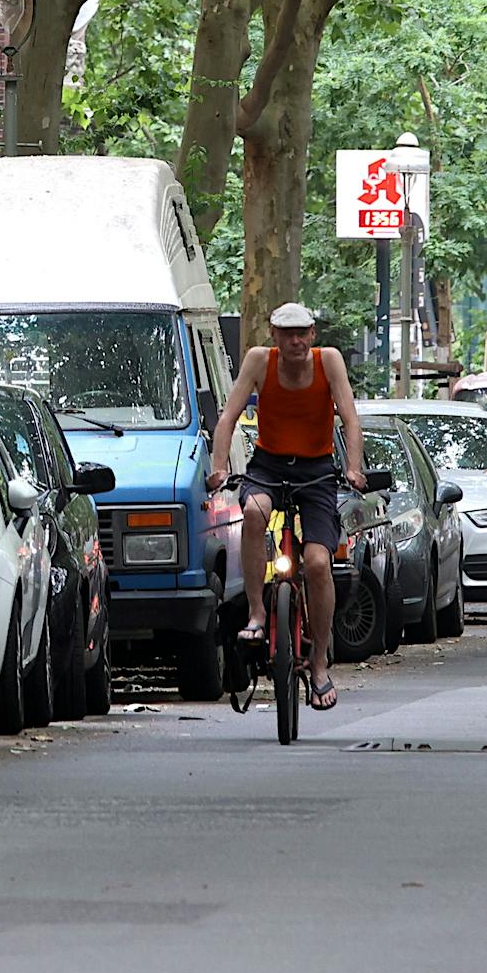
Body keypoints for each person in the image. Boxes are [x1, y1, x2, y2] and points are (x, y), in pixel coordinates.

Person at [208, 303, 366, 712]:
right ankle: (258, 613)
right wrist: (219, 467)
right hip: (269, 465)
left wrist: (352, 468)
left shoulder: (328, 361)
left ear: (312, 334)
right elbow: (227, 417)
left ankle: (319, 665)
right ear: (274, 336)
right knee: (255, 513)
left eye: (303, 333)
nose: (296, 340)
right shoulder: (259, 361)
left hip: (316, 471)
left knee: (316, 563)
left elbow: (349, 418)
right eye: (287, 333)